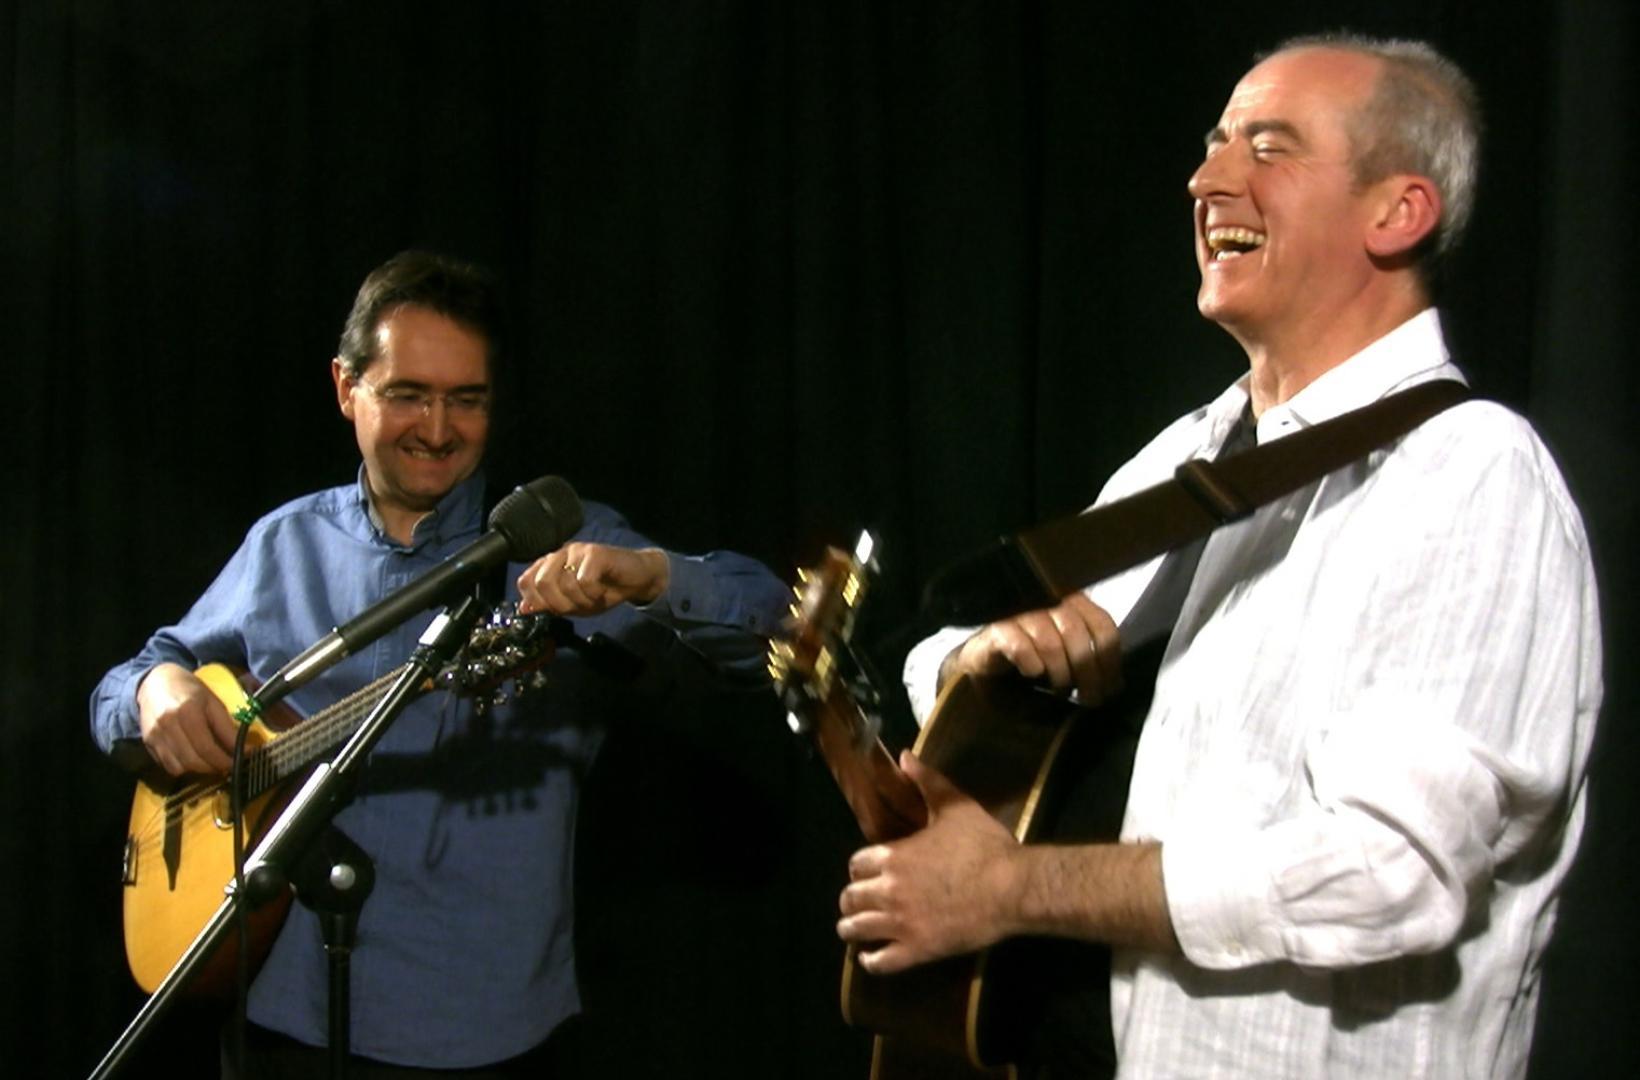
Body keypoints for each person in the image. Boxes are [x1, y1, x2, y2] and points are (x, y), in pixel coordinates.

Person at [838, 34, 1602, 1079]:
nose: (1205, 181)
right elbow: (942, 666)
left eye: (1268, 147)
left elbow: (1390, 872)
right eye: (1213, 144)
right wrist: (985, 661)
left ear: (1396, 213)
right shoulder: (1197, 450)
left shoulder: (1469, 473)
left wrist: (1010, 890)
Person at [91, 250, 791, 1076]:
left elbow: (779, 633)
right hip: (283, 1014)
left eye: (466, 400)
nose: (436, 428)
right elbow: (125, 688)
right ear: (346, 387)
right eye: (407, 395)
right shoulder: (286, 542)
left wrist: (656, 576)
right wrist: (155, 687)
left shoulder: (567, 552)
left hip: (480, 1027)